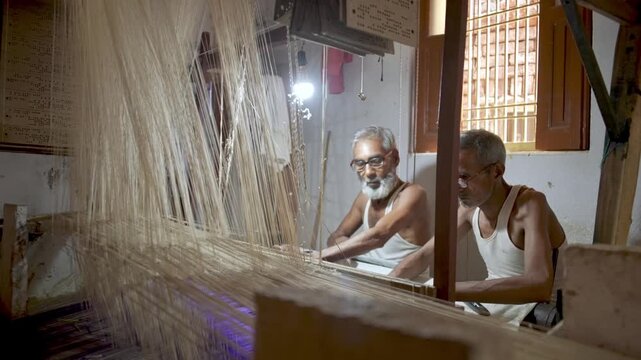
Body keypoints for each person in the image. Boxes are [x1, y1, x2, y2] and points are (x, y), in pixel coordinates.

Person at [390, 129, 566, 323]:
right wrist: (387, 284)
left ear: (496, 171)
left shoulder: (530, 204)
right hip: (495, 303)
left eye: (464, 178)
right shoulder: (469, 210)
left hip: (540, 311)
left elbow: (538, 285)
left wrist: (447, 290)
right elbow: (425, 255)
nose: (456, 187)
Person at [313, 126, 430, 269]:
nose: (368, 172)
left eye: (376, 161)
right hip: (366, 278)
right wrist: (343, 253)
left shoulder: (413, 194)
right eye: (360, 164)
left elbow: (378, 236)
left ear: (395, 159)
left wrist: (318, 256)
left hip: (404, 283)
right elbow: (336, 236)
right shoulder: (364, 199)